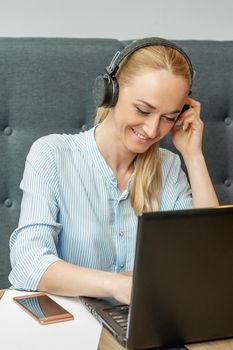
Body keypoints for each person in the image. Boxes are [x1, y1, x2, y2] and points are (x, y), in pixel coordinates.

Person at [9, 37, 219, 305]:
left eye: (168, 117)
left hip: (146, 326)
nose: (153, 130)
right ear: (111, 93)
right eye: (143, 110)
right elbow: (29, 262)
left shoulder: (168, 166)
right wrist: (114, 285)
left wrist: (193, 155)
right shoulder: (52, 154)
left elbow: (209, 257)